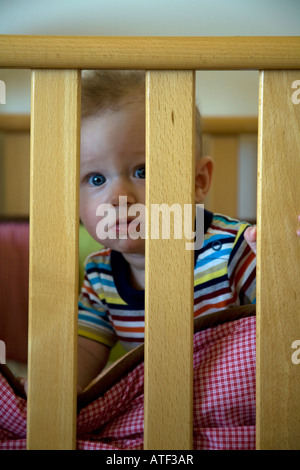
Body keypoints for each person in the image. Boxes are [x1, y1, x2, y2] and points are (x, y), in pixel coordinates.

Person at [78, 70, 299, 393]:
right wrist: (56, 390)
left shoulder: (232, 250)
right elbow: (84, 348)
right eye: (96, 179)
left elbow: (289, 314)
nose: (118, 198)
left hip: (245, 402)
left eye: (142, 171)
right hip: (160, 413)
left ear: (197, 182)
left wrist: (288, 262)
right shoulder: (100, 275)